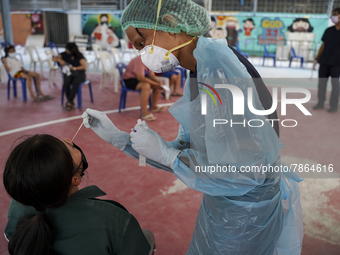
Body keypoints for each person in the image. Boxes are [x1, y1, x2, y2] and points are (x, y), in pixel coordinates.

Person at [82, 0, 303, 254]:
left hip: (245, 215)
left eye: (142, 43)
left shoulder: (220, 72)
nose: (142, 54)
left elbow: (245, 172)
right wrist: (122, 140)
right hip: (226, 203)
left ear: (171, 25)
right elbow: (195, 151)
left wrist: (169, 154)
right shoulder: (200, 67)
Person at [3, 134, 155, 255]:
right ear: (75, 179)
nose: (69, 140)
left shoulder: (18, 203)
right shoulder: (115, 221)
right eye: (69, 148)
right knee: (147, 236)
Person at [312, 7, 340, 113]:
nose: (333, 16)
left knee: (335, 86)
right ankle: (320, 102)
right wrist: (316, 59)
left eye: (335, 14)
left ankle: (333, 105)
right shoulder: (328, 30)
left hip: (337, 64)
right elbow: (323, 46)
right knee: (322, 84)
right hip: (324, 62)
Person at [123, 55, 166, 121]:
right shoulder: (139, 60)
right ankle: (144, 113)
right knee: (146, 86)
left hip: (140, 78)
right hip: (129, 80)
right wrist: (155, 84)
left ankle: (154, 107)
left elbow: (151, 74)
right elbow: (141, 78)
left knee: (158, 86)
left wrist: (158, 82)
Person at [53, 42, 87, 111]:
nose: (67, 51)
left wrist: (73, 68)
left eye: (68, 50)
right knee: (66, 83)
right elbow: (54, 58)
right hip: (69, 73)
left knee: (76, 83)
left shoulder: (79, 56)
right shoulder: (64, 54)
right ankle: (70, 101)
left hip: (79, 73)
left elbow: (83, 66)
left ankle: (70, 101)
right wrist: (60, 60)